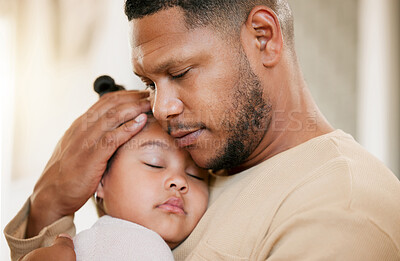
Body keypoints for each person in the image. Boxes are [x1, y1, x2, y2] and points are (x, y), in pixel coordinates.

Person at [5, 0, 400, 260]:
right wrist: (50, 205)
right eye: (150, 84)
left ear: (263, 37)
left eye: (180, 73)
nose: (163, 107)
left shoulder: (342, 212)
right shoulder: (205, 155)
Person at [73, 114, 209, 260]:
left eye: (195, 174)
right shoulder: (135, 245)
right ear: (100, 181)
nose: (180, 181)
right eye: (154, 163)